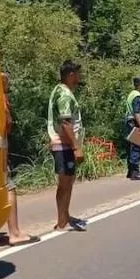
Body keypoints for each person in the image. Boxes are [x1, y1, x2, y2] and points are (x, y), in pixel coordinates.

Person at [0, 73, 40, 246]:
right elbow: (6, 124)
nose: (8, 84)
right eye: (6, 82)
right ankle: (14, 232)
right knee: (9, 187)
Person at [47, 60, 87, 231]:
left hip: (65, 144)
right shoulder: (64, 94)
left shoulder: (61, 90)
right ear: (71, 75)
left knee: (69, 181)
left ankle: (65, 214)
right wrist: (76, 147)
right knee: (64, 183)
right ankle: (61, 220)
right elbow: (65, 123)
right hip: (64, 146)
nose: (79, 77)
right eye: (77, 74)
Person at [124, 76, 140, 181]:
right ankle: (135, 172)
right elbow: (137, 112)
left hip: (130, 123)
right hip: (135, 123)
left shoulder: (132, 94)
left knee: (132, 148)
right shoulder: (137, 96)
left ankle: (131, 172)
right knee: (137, 148)